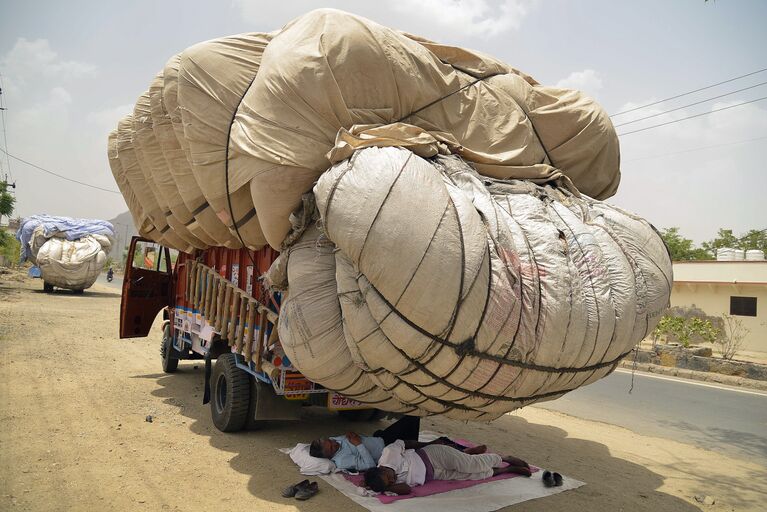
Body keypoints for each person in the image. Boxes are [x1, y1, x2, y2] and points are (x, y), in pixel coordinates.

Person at [309, 416, 486, 472]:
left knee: (413, 421)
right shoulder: (343, 461)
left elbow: (342, 438)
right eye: (332, 447)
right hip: (388, 449)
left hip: (381, 438)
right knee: (431, 446)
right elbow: (370, 466)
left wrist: (353, 436)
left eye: (330, 440)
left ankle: (459, 450)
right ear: (330, 456)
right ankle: (466, 452)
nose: (334, 442)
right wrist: (357, 444)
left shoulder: (332, 441)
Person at [363, 440, 531, 495]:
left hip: (433, 455)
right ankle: (507, 470)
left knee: (471, 465)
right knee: (476, 475)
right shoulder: (390, 484)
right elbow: (406, 489)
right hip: (435, 474)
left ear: (380, 467)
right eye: (390, 481)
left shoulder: (388, 454)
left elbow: (406, 442)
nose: (393, 478)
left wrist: (430, 443)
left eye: (388, 475)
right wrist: (387, 485)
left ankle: (502, 458)